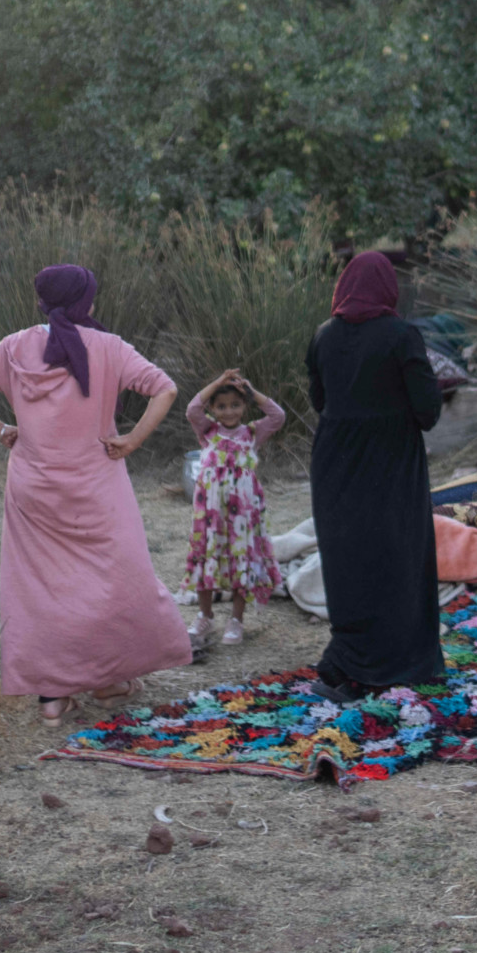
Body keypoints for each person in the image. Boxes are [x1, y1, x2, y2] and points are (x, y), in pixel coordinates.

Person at [0, 263, 196, 725]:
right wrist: (133, 440)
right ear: (86, 302)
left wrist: (1, 430)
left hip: (33, 487)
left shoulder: (14, 346)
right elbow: (165, 388)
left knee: (42, 589)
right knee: (116, 579)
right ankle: (109, 680)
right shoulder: (109, 347)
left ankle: (52, 697)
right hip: (97, 484)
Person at [303, 251, 446, 700]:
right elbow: (428, 413)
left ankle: (351, 663)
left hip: (335, 462)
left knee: (349, 562)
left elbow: (320, 400)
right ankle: (406, 662)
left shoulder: (323, 337)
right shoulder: (403, 336)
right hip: (390, 461)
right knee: (397, 556)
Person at [183, 369, 287, 647]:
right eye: (221, 406)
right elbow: (192, 409)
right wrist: (217, 382)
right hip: (211, 512)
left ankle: (236, 620)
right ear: (213, 409)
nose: (229, 412)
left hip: (243, 513)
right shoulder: (207, 431)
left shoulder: (252, 433)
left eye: (235, 405)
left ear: (244, 406)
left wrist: (253, 393)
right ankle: (205, 616)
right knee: (207, 556)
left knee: (242, 557)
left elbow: (278, 416)